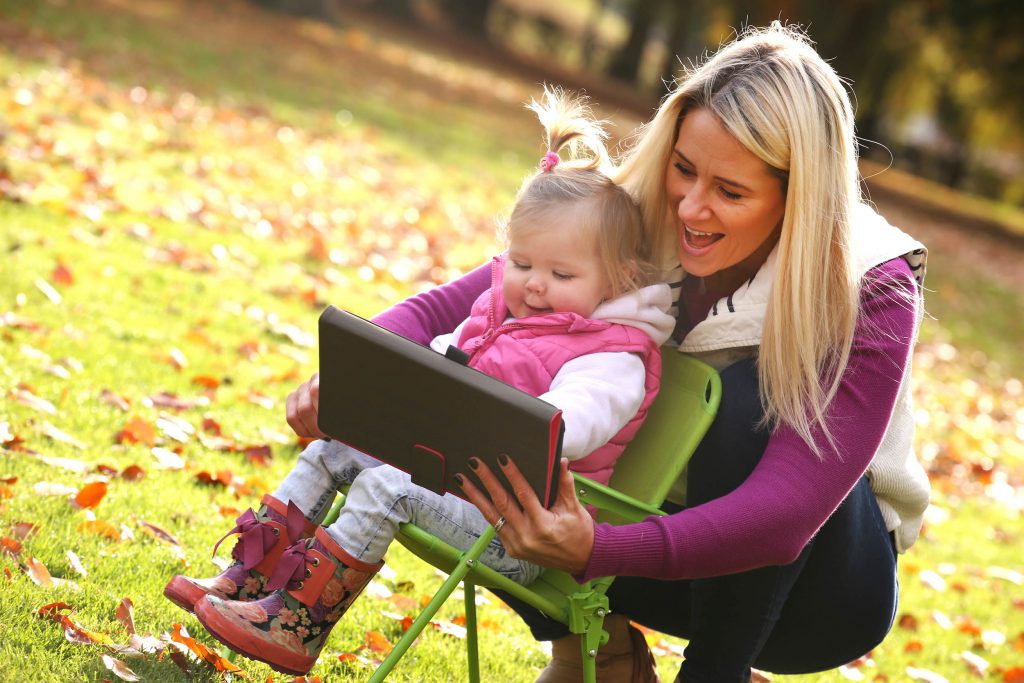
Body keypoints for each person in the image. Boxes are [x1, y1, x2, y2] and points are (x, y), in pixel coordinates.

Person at [286, 22, 931, 682]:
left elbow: (787, 511)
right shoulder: (634, 211)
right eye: (684, 168)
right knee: (514, 380)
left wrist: (600, 546)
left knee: (747, 401)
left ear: (798, 196)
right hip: (637, 539)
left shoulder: (872, 285)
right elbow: (451, 309)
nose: (691, 206)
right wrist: (347, 381)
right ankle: (604, 653)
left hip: (811, 594)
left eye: (730, 191)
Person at [163, 87, 675, 676]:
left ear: (616, 279)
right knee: (333, 450)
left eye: (562, 274)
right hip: (453, 481)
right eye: (523, 264)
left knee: (387, 490)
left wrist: (501, 413)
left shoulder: (614, 356)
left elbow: (572, 422)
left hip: (515, 527)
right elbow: (441, 357)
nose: (535, 285)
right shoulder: (501, 312)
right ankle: (249, 578)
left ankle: (298, 623)